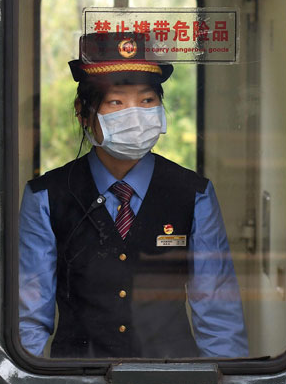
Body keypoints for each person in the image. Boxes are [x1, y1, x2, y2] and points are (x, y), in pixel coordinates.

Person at [19, 31, 249, 359]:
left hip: (173, 382)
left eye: (146, 101)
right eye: (116, 102)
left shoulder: (194, 193)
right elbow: (29, 317)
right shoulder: (45, 196)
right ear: (83, 112)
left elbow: (217, 314)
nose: (135, 115)